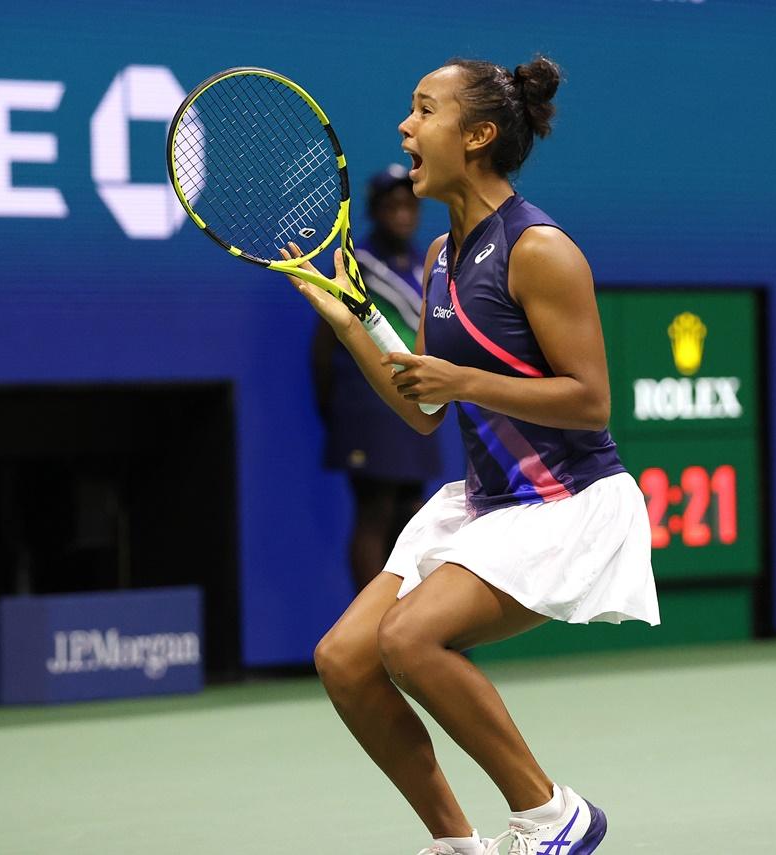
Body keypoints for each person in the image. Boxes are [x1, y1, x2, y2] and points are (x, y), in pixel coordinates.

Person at [282, 55, 659, 855]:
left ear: (479, 134)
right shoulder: (443, 257)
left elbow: (590, 400)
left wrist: (466, 378)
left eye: (424, 111)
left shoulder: (540, 249)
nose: (404, 127)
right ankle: (458, 844)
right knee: (345, 658)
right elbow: (425, 411)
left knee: (409, 639)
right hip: (486, 501)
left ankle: (554, 814)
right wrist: (353, 324)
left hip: (567, 501)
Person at [311, 165, 443, 593]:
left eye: (409, 205)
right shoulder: (356, 264)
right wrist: (340, 413)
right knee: (375, 514)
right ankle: (370, 636)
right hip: (366, 412)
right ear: (375, 210)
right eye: (392, 205)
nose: (403, 214)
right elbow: (324, 350)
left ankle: (408, 629)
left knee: (411, 514)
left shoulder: (422, 267)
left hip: (412, 406)